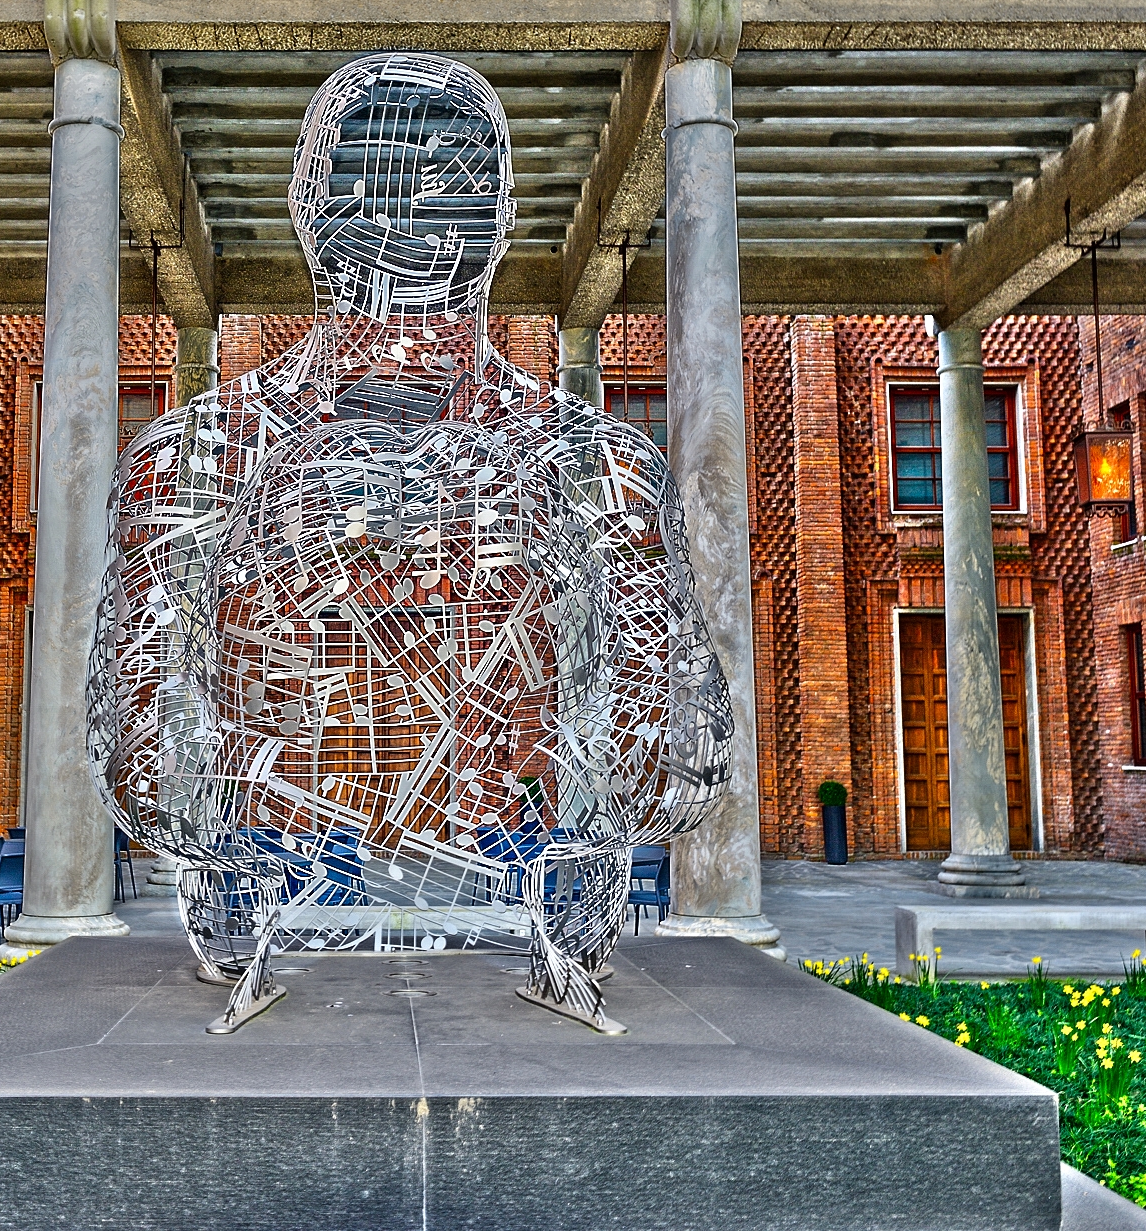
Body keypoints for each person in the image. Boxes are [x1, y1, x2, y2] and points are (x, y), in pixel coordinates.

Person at [89, 52, 732, 1034]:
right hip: (269, 925)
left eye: (450, 181)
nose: (408, 210)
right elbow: (138, 759)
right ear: (311, 206)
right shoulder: (200, 459)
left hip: (541, 925)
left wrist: (555, 591)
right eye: (373, 179)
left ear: (501, 217)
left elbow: (683, 751)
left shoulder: (595, 464)